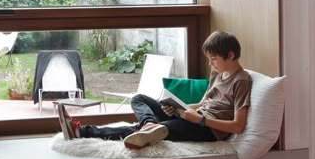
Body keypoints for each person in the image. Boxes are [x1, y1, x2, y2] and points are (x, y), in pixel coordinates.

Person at [57, 30, 251, 149]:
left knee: (153, 129)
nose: (210, 64)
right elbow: (204, 103)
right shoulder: (218, 73)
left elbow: (237, 126)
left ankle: (82, 132)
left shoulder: (241, 80)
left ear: (231, 55)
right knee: (139, 98)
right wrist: (179, 108)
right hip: (195, 117)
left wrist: (199, 119)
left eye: (214, 59)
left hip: (208, 130)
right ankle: (149, 124)